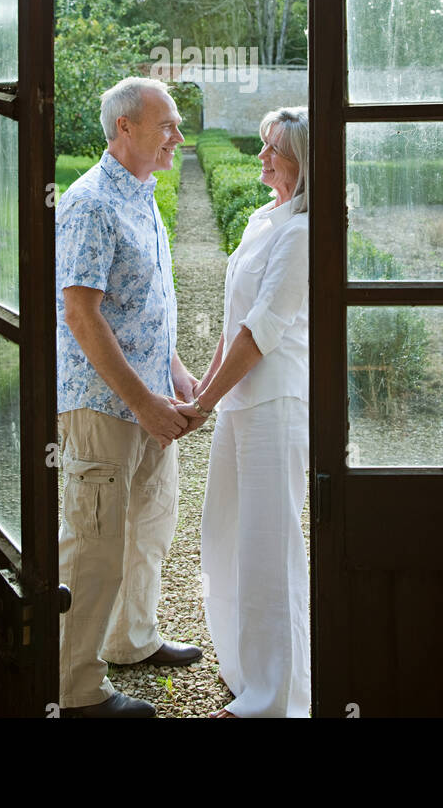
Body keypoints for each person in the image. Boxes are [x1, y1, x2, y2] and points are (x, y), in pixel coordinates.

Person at [55, 76, 203, 719]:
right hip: (104, 405)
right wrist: (144, 401)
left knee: (148, 527)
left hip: (148, 399)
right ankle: (73, 689)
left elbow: (144, 303)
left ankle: (131, 641)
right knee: (92, 547)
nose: (177, 135)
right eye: (167, 124)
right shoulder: (91, 203)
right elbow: (82, 315)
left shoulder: (141, 193)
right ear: (126, 128)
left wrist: (173, 372)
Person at [176, 107, 310, 719]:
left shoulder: (303, 232)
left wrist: (201, 402)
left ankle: (274, 699)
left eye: (273, 150)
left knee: (269, 549)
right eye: (263, 146)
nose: (261, 158)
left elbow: (259, 335)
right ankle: (242, 670)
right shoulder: (264, 218)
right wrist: (202, 394)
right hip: (238, 403)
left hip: (276, 402)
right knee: (223, 534)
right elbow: (233, 328)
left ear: (302, 163)